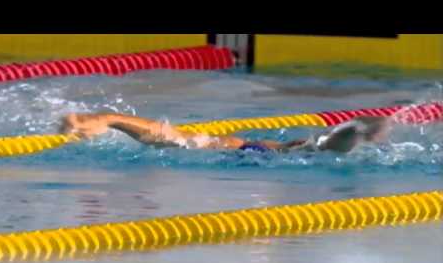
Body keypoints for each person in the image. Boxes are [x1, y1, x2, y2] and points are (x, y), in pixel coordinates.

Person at [59, 112, 391, 154]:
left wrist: (110, 119)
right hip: (256, 151)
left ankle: (358, 129)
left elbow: (165, 135)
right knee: (312, 151)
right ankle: (358, 129)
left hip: (253, 151)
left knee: (312, 151)